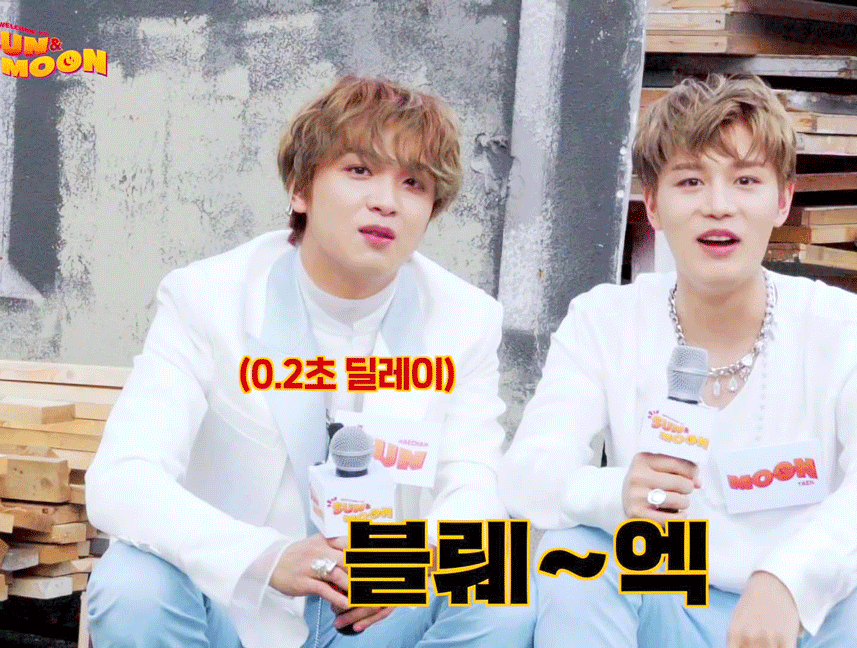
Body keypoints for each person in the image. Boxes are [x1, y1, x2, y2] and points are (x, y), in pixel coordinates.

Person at [86, 75, 535, 648]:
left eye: (414, 183)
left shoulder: (464, 319)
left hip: (378, 615)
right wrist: (265, 557)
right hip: (236, 606)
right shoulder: (206, 299)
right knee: (131, 581)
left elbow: (473, 481)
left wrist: (408, 566)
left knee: (503, 577)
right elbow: (123, 477)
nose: (386, 201)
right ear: (300, 188)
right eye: (359, 170)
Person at [500, 75, 857, 648]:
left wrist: (788, 578)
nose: (718, 206)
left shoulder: (848, 327)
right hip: (665, 591)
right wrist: (616, 492)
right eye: (690, 181)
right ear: (653, 205)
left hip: (797, 613)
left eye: (746, 180)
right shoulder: (604, 321)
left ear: (783, 200)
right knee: (574, 556)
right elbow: (528, 474)